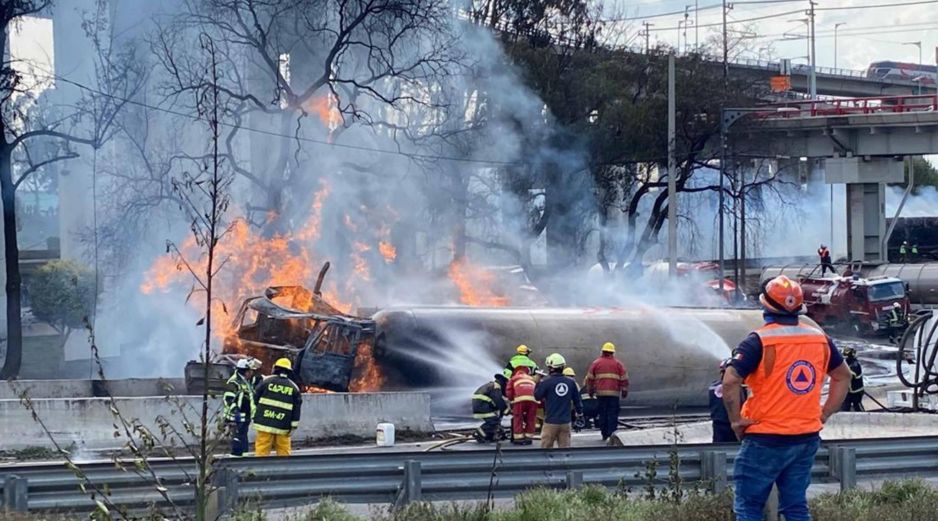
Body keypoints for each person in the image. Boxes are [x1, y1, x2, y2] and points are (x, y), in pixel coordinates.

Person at [722, 275, 851, 521]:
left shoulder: (758, 340)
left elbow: (729, 381)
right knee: (795, 506)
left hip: (765, 437)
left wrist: (736, 420)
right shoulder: (819, 338)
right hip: (806, 436)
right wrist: (824, 413)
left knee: (748, 507)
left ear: (765, 306)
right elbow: (843, 376)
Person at [253, 357, 303, 457]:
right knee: (284, 451)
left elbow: (255, 398)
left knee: (262, 449)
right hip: (283, 425)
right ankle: (284, 470)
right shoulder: (294, 387)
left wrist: (255, 415)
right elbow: (296, 409)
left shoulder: (266, 382)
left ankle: (259, 470)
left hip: (264, 423)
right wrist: (293, 426)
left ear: (275, 368)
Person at [534, 354, 583, 448]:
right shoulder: (571, 383)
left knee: (546, 451)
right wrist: (580, 415)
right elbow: (577, 401)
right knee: (564, 452)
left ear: (551, 368)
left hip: (550, 422)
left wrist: (537, 382)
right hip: (565, 423)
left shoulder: (546, 383)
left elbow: (537, 396)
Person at [585, 342, 629, 442]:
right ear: (612, 353)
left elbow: (590, 379)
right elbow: (624, 379)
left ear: (603, 352)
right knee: (612, 414)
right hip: (614, 394)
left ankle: (604, 434)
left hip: (601, 394)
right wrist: (624, 390)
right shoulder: (618, 364)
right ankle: (611, 433)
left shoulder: (596, 363)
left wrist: (590, 391)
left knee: (602, 413)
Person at [223, 358, 258, 457]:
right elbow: (228, 398)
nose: (251, 373)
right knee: (238, 437)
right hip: (236, 415)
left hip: (244, 415)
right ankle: (237, 458)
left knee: (242, 436)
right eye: (250, 371)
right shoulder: (234, 382)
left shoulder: (245, 381)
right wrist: (236, 411)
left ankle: (243, 457)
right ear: (245, 371)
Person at [709, 358, 746, 443]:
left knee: (718, 446)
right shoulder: (736, 388)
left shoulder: (712, 386)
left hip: (717, 422)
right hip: (731, 421)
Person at [504, 365, 538, 445]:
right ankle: (529, 437)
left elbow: (509, 391)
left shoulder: (514, 378)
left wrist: (512, 399)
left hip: (519, 400)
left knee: (518, 417)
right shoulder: (531, 378)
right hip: (533, 399)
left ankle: (519, 438)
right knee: (531, 417)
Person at [472, 374, 510, 443]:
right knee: (493, 421)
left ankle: (488, 436)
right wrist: (506, 409)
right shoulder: (496, 387)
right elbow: (498, 400)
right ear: (504, 382)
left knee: (495, 420)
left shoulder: (493, 385)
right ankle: (478, 433)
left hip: (482, 405)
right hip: (482, 405)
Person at [841, 348, 865, 412]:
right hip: (848, 390)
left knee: (857, 405)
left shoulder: (855, 364)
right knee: (845, 406)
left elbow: (850, 375)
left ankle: (864, 417)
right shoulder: (846, 362)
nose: (845, 359)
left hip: (856, 391)